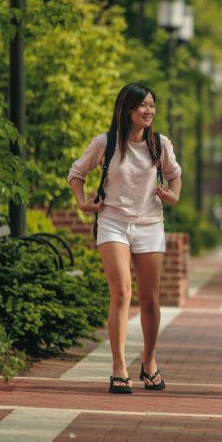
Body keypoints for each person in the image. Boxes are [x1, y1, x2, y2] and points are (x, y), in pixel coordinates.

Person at [68, 82, 182, 394]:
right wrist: (82, 202)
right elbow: (76, 173)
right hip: (113, 222)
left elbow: (175, 174)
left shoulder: (160, 144)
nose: (149, 110)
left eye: (152, 105)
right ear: (127, 109)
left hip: (149, 224)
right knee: (121, 292)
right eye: (142, 105)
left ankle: (149, 361)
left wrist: (171, 195)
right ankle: (119, 367)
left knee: (150, 298)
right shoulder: (105, 144)